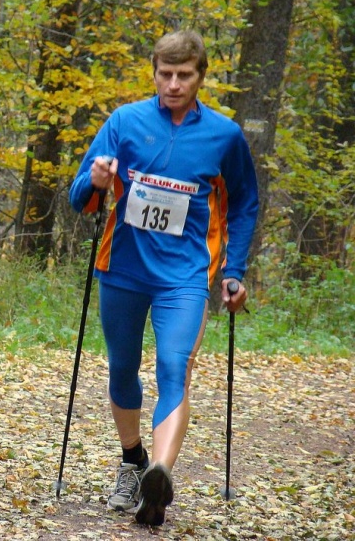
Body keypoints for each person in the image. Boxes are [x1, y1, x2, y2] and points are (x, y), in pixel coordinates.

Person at [68, 30, 259, 526]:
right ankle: (132, 460)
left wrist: (233, 270)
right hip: (124, 270)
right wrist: (95, 181)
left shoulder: (224, 136)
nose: (173, 84)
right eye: (165, 74)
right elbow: (79, 196)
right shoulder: (125, 122)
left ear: (200, 77)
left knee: (175, 367)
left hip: (186, 277)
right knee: (122, 368)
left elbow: (243, 205)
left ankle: (159, 475)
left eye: (184, 75)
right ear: (153, 72)